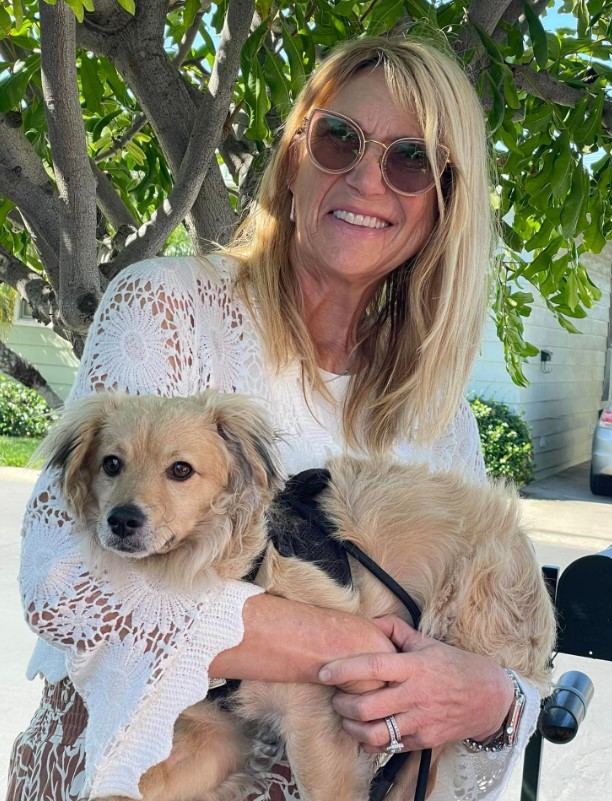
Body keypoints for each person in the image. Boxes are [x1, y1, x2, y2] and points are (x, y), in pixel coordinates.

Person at [8, 34, 550, 801]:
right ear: (295, 156)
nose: (366, 179)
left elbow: (493, 676)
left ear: (442, 203)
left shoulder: (437, 414)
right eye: (340, 138)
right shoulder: (166, 307)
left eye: (410, 160)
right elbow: (65, 581)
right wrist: (363, 643)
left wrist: (493, 699)